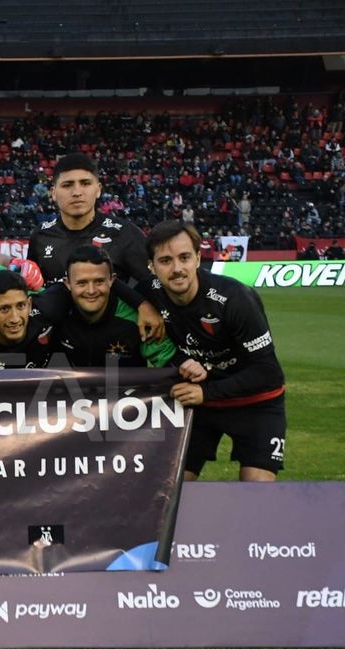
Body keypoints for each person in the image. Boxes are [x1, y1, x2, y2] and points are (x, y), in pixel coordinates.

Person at [143, 220, 287, 482]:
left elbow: (267, 372)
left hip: (256, 403)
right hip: (200, 406)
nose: (177, 269)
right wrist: (140, 305)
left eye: (184, 257)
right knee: (170, 492)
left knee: (258, 495)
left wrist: (205, 391)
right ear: (151, 267)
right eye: (165, 261)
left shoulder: (234, 298)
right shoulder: (147, 294)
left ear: (198, 258)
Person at [50, 246, 207, 378]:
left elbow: (167, 357)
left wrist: (188, 366)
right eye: (82, 283)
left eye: (99, 281)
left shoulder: (137, 319)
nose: (91, 291)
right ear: (68, 284)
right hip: (77, 407)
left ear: (112, 280)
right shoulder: (56, 313)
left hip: (127, 408)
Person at [28, 152, 152, 286]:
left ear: (98, 190)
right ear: (53, 193)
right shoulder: (40, 236)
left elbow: (152, 286)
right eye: (67, 185)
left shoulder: (125, 233)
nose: (77, 192)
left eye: (85, 183)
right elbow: (34, 291)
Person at [0, 271, 54, 370]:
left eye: (21, 306)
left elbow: (64, 289)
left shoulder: (46, 313)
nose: (14, 319)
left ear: (29, 305)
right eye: (4, 309)